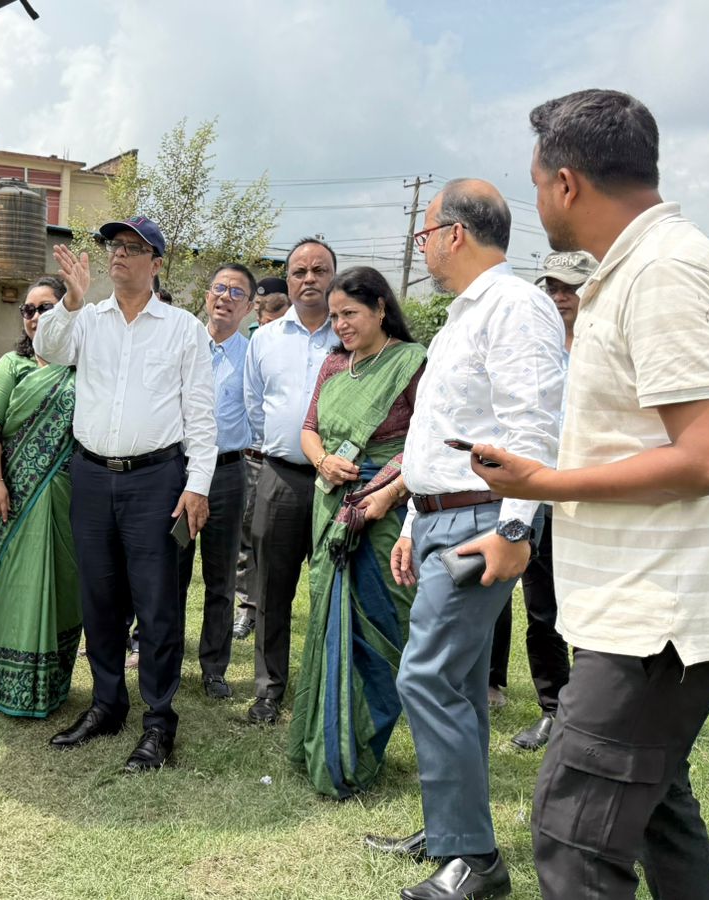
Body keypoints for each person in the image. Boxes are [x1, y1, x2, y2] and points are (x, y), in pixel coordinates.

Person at [468, 88, 709, 899]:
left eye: (537, 184)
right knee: (656, 809)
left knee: (574, 836)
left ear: (566, 183)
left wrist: (547, 483)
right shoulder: (638, 268)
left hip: (658, 617)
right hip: (642, 606)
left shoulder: (665, 272)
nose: (537, 203)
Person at [363, 178, 565, 900]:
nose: (421, 248)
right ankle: (451, 828)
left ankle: (474, 860)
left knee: (427, 676)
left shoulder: (515, 306)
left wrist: (515, 527)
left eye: (424, 234)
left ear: (454, 233)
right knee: (462, 686)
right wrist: (417, 519)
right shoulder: (464, 315)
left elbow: (533, 424)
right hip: (444, 515)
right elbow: (442, 434)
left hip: (483, 519)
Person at [38, 216, 216, 773]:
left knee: (157, 603)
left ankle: (159, 721)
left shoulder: (183, 328)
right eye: (114, 245)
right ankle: (107, 704)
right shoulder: (87, 318)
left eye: (133, 248)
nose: (118, 254)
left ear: (156, 263)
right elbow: (48, 346)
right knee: (100, 597)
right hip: (92, 475)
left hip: (156, 479)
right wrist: (69, 300)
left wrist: (198, 485)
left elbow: (201, 415)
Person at [288, 266, 424, 798]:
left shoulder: (411, 362)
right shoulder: (333, 364)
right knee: (328, 622)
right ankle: (326, 743)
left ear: (381, 308)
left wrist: (384, 493)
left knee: (379, 629)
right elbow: (308, 429)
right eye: (335, 315)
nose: (340, 324)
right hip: (331, 504)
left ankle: (360, 750)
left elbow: (428, 441)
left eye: (350, 313)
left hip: (385, 511)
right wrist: (322, 460)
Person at [489, 249, 593, 751]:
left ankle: (592, 713)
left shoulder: (607, 348)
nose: (560, 296)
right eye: (552, 287)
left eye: (571, 287)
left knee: (591, 607)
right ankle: (554, 710)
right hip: (541, 493)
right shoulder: (533, 347)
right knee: (542, 609)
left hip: (595, 495)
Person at [242, 239, 341, 725]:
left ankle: (326, 687)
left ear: (333, 276)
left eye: (319, 270)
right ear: (288, 279)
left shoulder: (351, 335)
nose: (309, 279)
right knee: (271, 590)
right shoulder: (265, 339)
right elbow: (254, 404)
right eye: (299, 271)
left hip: (338, 487)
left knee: (333, 590)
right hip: (279, 477)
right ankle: (268, 689)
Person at [0, 276, 82, 717]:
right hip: (16, 495)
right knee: (13, 585)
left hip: (68, 496)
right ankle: (4, 685)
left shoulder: (80, 364)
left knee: (65, 584)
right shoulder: (12, 365)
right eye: (29, 310)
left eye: (46, 308)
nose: (35, 317)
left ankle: (52, 684)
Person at [178, 264, 254, 700]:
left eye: (236, 292)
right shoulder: (185, 344)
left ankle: (213, 668)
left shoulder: (253, 355)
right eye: (219, 288)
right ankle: (164, 657)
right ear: (207, 296)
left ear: (248, 307)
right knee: (172, 569)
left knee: (221, 577)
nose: (225, 297)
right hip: (181, 471)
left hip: (227, 474)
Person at [234, 274, 289, 640]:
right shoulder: (255, 341)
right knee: (246, 537)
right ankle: (247, 607)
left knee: (275, 540)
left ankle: (270, 607)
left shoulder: (300, 345)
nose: (266, 316)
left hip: (289, 461)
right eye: (260, 309)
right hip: (252, 455)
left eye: (276, 308)